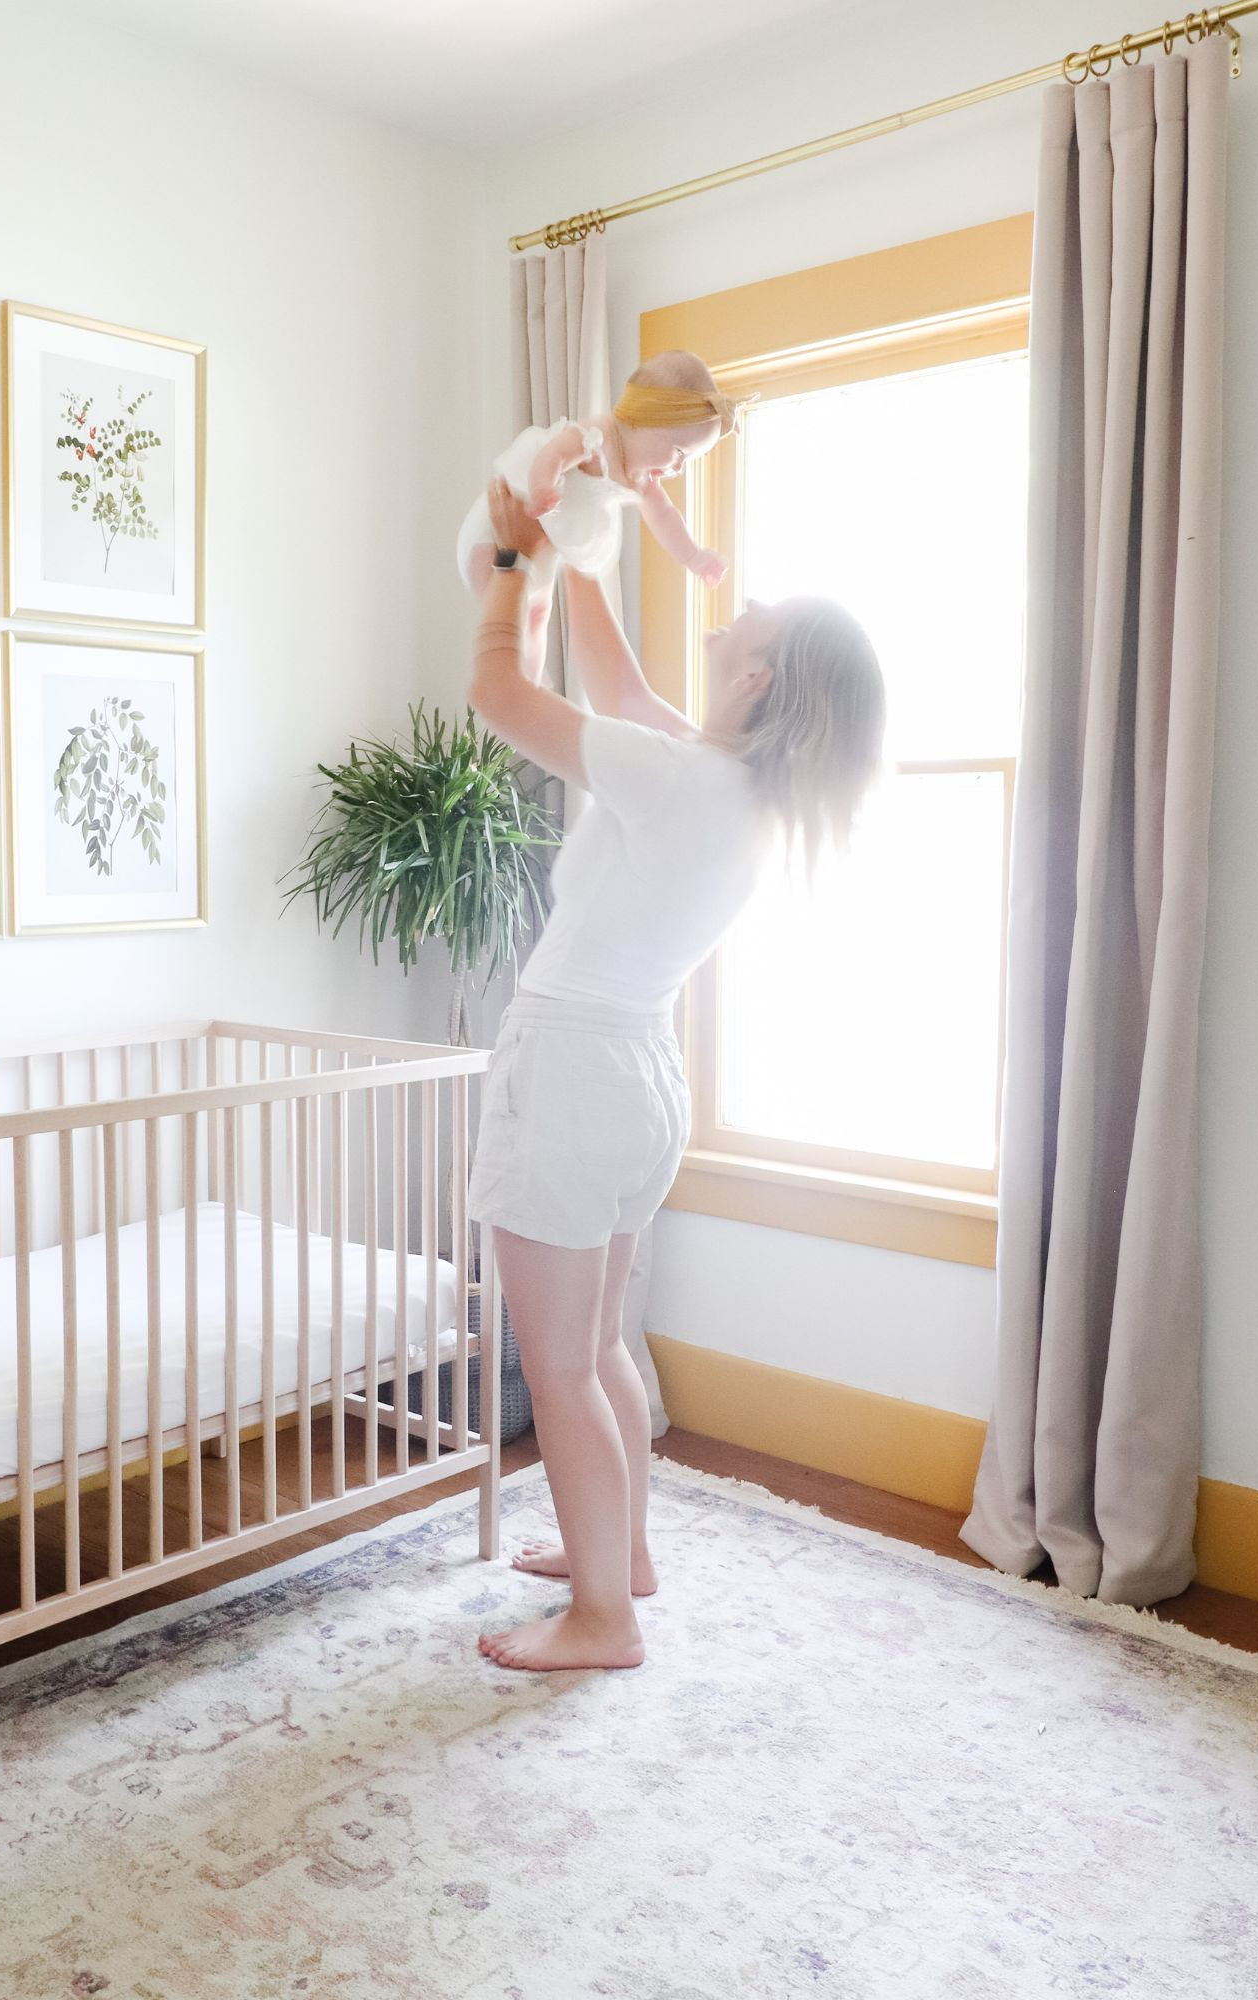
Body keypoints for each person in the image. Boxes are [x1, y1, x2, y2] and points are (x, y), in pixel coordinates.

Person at [466, 477, 886, 1672]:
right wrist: (575, 549)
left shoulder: (676, 776)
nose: (739, 602)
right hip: (639, 1077)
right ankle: (622, 1556)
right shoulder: (733, 786)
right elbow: (617, 692)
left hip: (572, 1068)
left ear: (753, 674)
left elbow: (494, 691)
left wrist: (508, 567)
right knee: (597, 1347)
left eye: (759, 614)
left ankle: (603, 1617)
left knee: (558, 1365)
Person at [456, 350, 735, 605]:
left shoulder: (642, 479)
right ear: (650, 418)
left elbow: (664, 516)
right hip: (505, 519)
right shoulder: (599, 437)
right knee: (490, 582)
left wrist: (693, 557)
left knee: (535, 606)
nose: (679, 468)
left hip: (544, 544)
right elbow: (553, 455)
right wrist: (542, 488)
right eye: (680, 453)